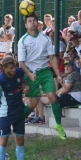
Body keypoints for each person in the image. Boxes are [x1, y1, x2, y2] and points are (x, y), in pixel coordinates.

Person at [17, 12, 66, 140]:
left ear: (38, 23)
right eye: (30, 21)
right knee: (33, 104)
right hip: (30, 72)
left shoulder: (45, 39)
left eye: (34, 20)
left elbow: (52, 57)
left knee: (53, 97)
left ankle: (59, 125)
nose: (32, 22)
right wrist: (29, 74)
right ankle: (19, 120)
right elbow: (21, 62)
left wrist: (59, 74)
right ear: (26, 24)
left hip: (45, 71)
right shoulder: (23, 40)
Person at [0, 56, 30, 160]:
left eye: (14, 66)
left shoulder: (19, 72)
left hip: (19, 111)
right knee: (4, 140)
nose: (14, 69)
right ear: (4, 69)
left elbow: (24, 82)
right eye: (11, 68)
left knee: (20, 139)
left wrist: (26, 86)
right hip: (5, 113)